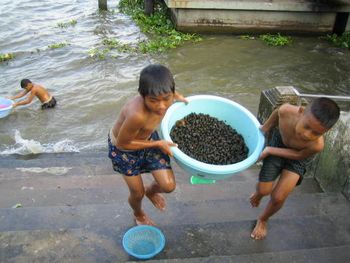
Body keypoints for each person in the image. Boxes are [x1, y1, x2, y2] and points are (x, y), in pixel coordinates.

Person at [108, 64, 187, 226]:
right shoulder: (137, 115)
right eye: (153, 101)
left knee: (168, 186)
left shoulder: (167, 97)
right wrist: (158, 143)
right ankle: (139, 214)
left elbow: (170, 96)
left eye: (167, 98)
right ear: (142, 96)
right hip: (124, 150)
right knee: (137, 193)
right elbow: (123, 144)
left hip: (149, 140)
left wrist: (179, 99)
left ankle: (151, 192)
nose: (161, 106)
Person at [250, 97, 340, 240]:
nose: (307, 134)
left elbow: (298, 155)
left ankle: (263, 219)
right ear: (301, 112)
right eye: (306, 126)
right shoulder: (286, 111)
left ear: (326, 131)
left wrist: (270, 151)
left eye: (316, 133)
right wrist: (265, 128)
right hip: (279, 143)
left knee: (278, 197)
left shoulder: (317, 145)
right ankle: (259, 194)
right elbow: (277, 113)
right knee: (263, 189)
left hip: (297, 158)